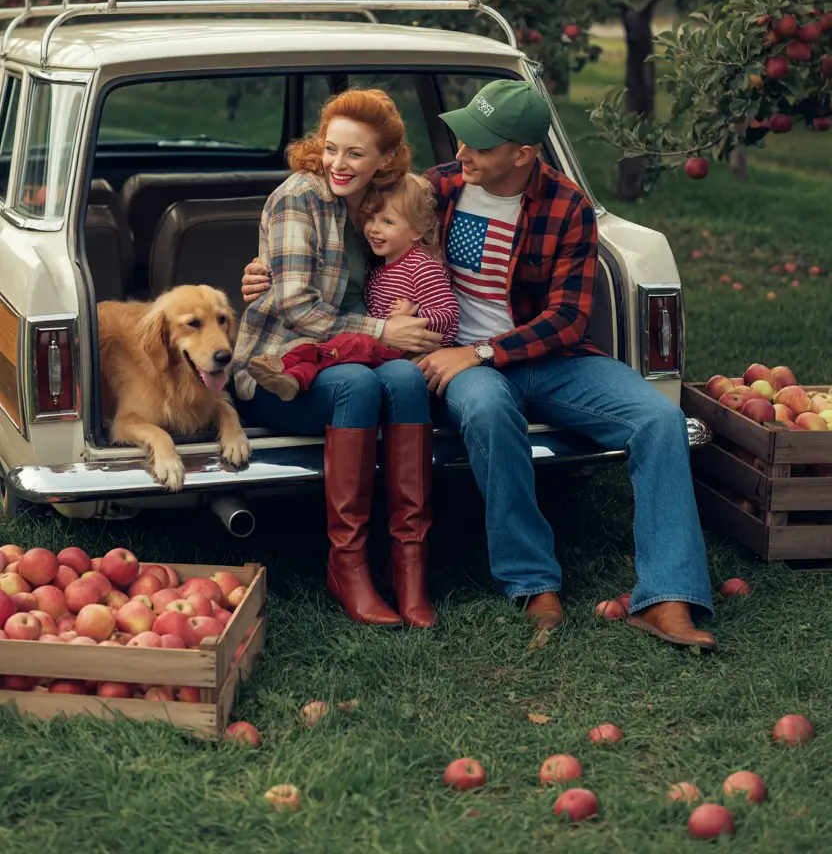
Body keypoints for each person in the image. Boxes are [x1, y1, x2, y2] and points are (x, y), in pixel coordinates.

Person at [242, 79, 715, 651]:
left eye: (479, 145)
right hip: (462, 366)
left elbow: (568, 318)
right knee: (490, 413)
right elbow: (360, 221)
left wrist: (486, 350)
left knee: (659, 418)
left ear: (522, 155)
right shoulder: (437, 189)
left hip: (548, 359)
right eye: (462, 138)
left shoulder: (568, 207)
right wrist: (265, 269)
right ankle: (532, 581)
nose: (460, 152)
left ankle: (668, 597)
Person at [232, 89, 443, 630]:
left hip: (356, 354)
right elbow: (296, 301)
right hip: (280, 366)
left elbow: (448, 191)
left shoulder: (383, 202)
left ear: (386, 159)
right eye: (331, 150)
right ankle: (346, 565)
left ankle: (409, 566)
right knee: (359, 385)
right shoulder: (298, 197)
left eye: (355, 153)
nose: (338, 165)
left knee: (406, 378)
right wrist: (382, 327)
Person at [248, 172, 458, 401]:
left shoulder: (423, 265)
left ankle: (288, 369)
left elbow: (448, 314)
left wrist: (414, 316)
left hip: (409, 350)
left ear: (417, 231)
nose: (374, 229)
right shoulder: (378, 269)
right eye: (370, 218)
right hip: (385, 344)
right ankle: (289, 376)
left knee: (348, 344)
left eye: (387, 222)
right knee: (332, 352)